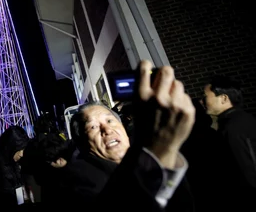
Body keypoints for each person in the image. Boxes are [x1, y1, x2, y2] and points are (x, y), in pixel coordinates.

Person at [52, 61, 195, 211]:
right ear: (82, 143)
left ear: (123, 128)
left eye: (109, 120)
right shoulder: (76, 182)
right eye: (93, 127)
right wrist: (159, 148)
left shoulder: (163, 151)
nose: (106, 129)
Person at [202, 75, 256, 208]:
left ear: (224, 98)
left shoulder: (232, 127)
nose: (202, 101)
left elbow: (247, 170)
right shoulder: (244, 119)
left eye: (205, 96)